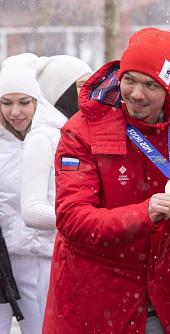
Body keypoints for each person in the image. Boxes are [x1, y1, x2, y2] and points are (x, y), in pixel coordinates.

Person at [43, 28, 170, 334]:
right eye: (129, 80)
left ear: (169, 89)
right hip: (95, 294)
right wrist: (143, 214)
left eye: (150, 85)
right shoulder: (84, 129)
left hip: (162, 289)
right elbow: (72, 218)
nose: (136, 94)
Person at [18, 55, 92, 319]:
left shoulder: (82, 132)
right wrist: (86, 220)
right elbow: (32, 210)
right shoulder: (42, 137)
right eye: (82, 86)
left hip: (84, 256)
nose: (91, 92)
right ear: (61, 92)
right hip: (50, 262)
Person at [0, 53, 51, 333]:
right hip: (2, 259)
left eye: (24, 102)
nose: (15, 112)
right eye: (6, 102)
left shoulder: (49, 139)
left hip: (40, 257)